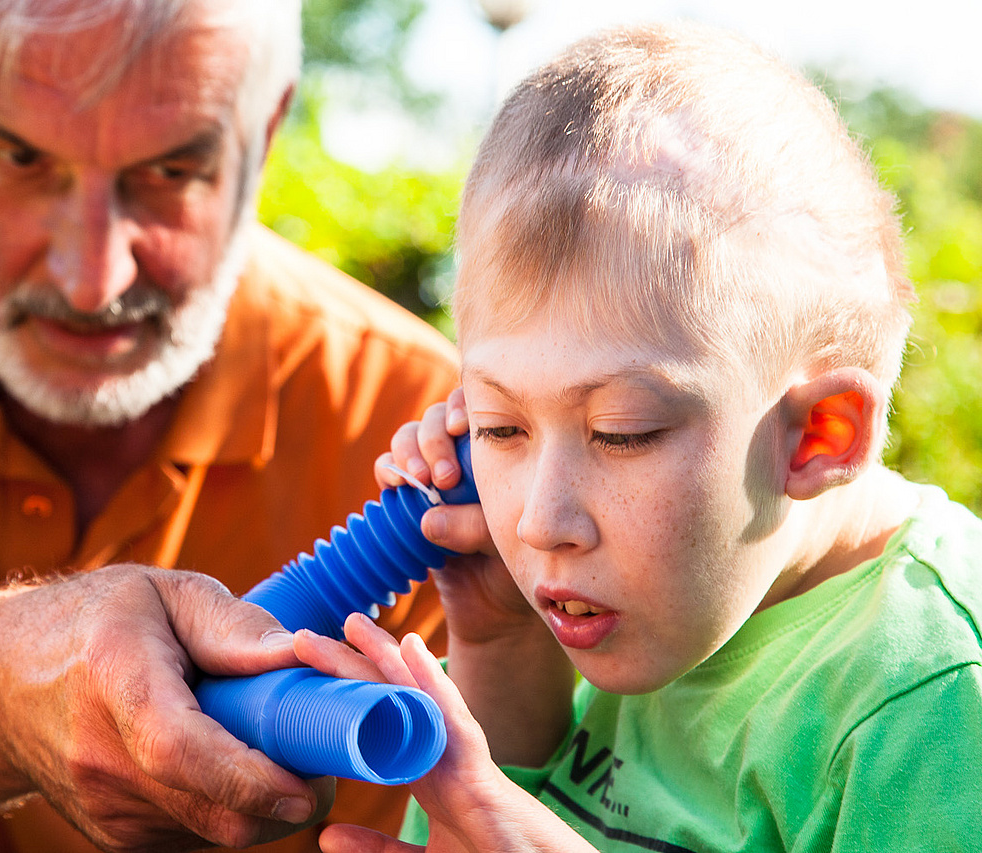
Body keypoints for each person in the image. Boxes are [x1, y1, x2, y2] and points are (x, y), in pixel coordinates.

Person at [300, 21, 982, 853]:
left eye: (621, 433)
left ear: (817, 434)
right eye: (500, 425)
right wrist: (498, 640)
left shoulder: (933, 697)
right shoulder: (651, 601)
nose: (539, 521)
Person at [0, 0, 460, 851]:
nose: (92, 279)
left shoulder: (409, 420)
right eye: (21, 158)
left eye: (173, 168)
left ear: (266, 128)